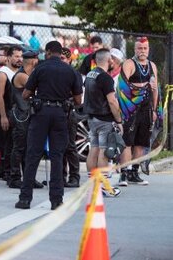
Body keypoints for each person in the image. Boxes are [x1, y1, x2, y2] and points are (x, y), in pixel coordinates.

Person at [15, 41, 83, 210]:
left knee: (32, 156)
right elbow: (78, 100)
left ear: (48, 52)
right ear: (60, 53)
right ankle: (56, 200)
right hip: (61, 115)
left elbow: (25, 94)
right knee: (57, 157)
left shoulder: (40, 69)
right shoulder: (71, 71)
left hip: (41, 114)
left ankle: (25, 199)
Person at [117, 37, 158, 186]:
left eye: (145, 48)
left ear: (148, 49)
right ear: (135, 49)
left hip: (146, 109)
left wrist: (155, 110)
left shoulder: (152, 66)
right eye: (139, 48)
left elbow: (155, 90)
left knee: (141, 142)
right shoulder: (129, 64)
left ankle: (134, 172)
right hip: (131, 109)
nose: (142, 51)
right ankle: (124, 173)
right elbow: (122, 87)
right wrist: (142, 86)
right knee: (127, 142)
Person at [84, 49, 123, 197]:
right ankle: (105, 186)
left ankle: (92, 185)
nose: (113, 62)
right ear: (108, 60)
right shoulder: (105, 78)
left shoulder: (90, 75)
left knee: (93, 149)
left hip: (91, 118)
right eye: (111, 59)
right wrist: (118, 120)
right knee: (104, 152)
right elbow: (112, 102)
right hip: (104, 119)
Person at [0, 45, 23, 187]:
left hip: (18, 114)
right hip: (5, 113)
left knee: (14, 144)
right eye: (16, 56)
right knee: (6, 145)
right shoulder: (2, 73)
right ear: (9, 57)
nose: (19, 59)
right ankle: (6, 172)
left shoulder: (21, 73)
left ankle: (9, 171)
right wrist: (3, 116)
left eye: (21, 56)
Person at [8, 50, 39, 188]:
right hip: (21, 115)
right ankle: (14, 177)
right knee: (19, 147)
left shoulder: (29, 74)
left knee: (28, 148)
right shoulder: (22, 76)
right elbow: (36, 87)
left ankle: (28, 178)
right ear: (33, 61)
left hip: (27, 114)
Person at [60, 47, 81, 188]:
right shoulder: (55, 72)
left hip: (69, 112)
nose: (60, 61)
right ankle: (60, 176)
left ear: (69, 60)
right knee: (58, 146)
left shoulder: (74, 74)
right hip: (57, 112)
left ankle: (74, 177)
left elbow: (78, 97)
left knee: (70, 147)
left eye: (63, 58)